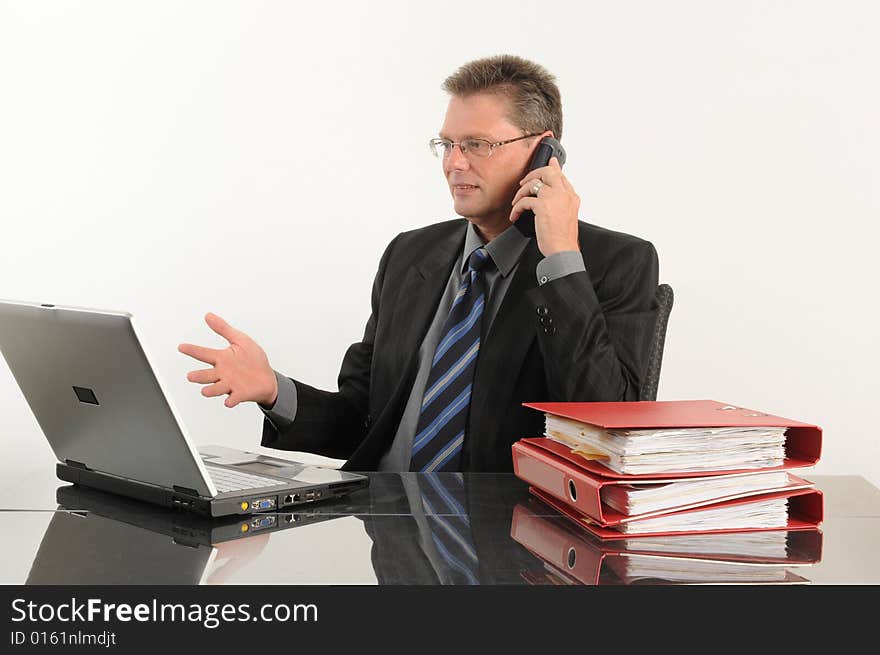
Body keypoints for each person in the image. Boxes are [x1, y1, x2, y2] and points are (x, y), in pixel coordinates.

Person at [179, 54, 659, 473]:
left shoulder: (611, 263)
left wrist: (559, 258)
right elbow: (363, 422)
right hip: (385, 533)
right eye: (447, 144)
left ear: (543, 151)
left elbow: (607, 434)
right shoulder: (409, 257)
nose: (454, 163)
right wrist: (272, 390)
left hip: (507, 545)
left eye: (478, 144)